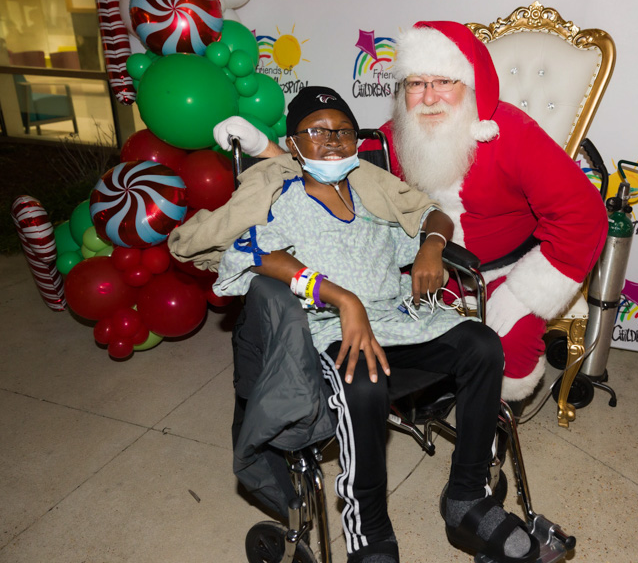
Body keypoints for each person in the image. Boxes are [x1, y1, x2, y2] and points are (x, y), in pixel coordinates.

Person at [170, 87, 540, 563]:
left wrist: (429, 246)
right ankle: (369, 531)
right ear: (294, 143)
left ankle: (466, 497)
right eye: (317, 132)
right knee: (363, 380)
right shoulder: (283, 198)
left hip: (396, 322)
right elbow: (257, 253)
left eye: (343, 131)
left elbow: (431, 217)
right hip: (327, 332)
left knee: (482, 345)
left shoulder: (370, 195)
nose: (332, 141)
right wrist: (341, 298)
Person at [359, 21, 609, 408]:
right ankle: (435, 382)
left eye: (443, 81)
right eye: (415, 83)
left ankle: (494, 414)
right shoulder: (392, 136)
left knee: (513, 347)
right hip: (422, 263)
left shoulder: (514, 133)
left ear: (469, 86)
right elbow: (344, 191)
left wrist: (523, 292)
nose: (428, 98)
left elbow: (583, 213)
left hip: (504, 269)